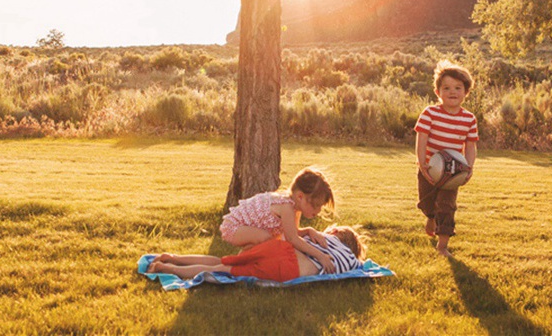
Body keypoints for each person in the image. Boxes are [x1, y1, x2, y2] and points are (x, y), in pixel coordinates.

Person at [148, 225, 368, 282]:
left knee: (221, 260)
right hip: (288, 267)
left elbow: (293, 236)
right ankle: (165, 268)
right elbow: (363, 266)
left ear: (336, 232)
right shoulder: (351, 260)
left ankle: (172, 257)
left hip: (278, 247)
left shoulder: (321, 237)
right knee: (222, 270)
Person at [415, 60, 478, 257]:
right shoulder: (430, 113)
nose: (453, 92)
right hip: (429, 168)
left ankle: (442, 245)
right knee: (426, 201)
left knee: (447, 205)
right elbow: (421, 138)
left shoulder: (469, 119)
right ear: (438, 92)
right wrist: (421, 163)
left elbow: (470, 145)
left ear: (466, 92)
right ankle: (430, 216)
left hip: (453, 172)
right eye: (447, 88)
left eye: (458, 88)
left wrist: (469, 167)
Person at [219, 167, 337, 272]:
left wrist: (309, 231)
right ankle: (238, 264)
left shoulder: (294, 208)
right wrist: (320, 256)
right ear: (300, 197)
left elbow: (294, 232)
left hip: (245, 229)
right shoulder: (287, 207)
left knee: (270, 242)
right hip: (234, 228)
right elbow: (292, 239)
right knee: (267, 240)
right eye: (316, 205)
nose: (318, 211)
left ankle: (237, 263)